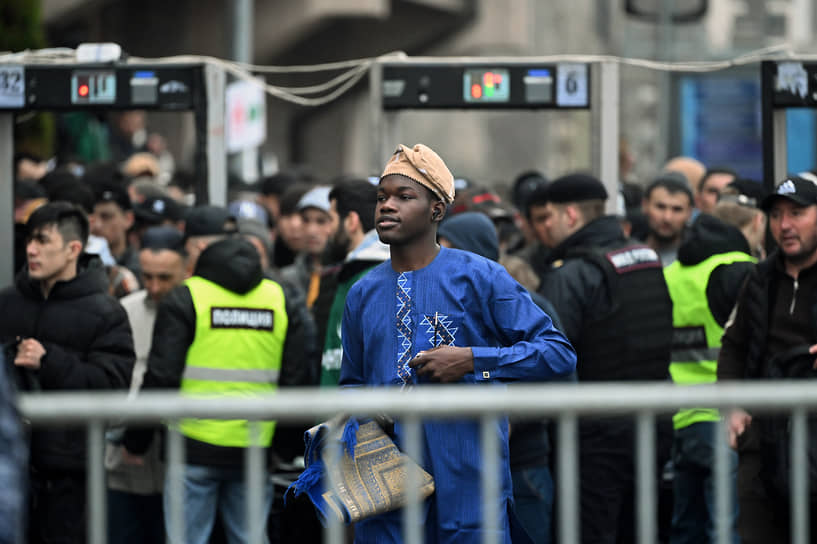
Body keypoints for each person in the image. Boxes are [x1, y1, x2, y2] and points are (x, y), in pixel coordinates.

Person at [338, 144, 576, 543]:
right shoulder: (361, 293)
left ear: (437, 210)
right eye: (382, 197)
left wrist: (472, 360)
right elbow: (351, 383)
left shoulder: (480, 277)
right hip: (386, 485)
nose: (387, 206)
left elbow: (557, 352)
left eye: (404, 196)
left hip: (467, 476)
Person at [123, 205, 317, 544]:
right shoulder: (280, 297)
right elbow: (295, 378)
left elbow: (162, 376)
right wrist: (284, 447)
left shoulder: (187, 297)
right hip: (254, 446)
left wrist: (136, 440)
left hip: (191, 447)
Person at [536, 173, 673, 544]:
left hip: (596, 436)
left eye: (548, 217)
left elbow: (549, 355)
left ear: (570, 216)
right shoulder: (646, 257)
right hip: (653, 424)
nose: (543, 227)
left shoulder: (573, 274)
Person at [0, 201, 135, 543]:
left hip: (69, 475)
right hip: (9, 466)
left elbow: (111, 388)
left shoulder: (107, 313)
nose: (31, 249)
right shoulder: (7, 303)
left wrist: (51, 362)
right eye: (29, 239)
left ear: (73, 249)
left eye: (43, 241)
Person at [438, 211, 568, 544]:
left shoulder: (526, 305)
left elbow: (562, 375)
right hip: (458, 470)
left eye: (449, 250)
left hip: (521, 469)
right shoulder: (444, 308)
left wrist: (510, 417)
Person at [718, 175, 817, 543]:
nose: (785, 225)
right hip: (765, 443)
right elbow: (734, 346)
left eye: (797, 213)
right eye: (776, 215)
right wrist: (732, 406)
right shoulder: (759, 278)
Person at [663, 211, 759, 544]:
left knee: (686, 527)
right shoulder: (739, 267)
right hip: (725, 417)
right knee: (726, 529)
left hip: (681, 418)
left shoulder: (670, 274)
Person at [106, 226, 188, 544]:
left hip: (176, 468)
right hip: (124, 466)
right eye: (148, 276)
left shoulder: (194, 310)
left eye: (165, 277)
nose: (154, 287)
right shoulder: (125, 310)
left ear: (186, 268)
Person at [320, 178, 390, 386]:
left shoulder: (372, 278)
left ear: (351, 221)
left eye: (330, 219)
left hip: (351, 414)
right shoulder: (353, 272)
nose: (327, 230)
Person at [641, 172, 695, 266]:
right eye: (660, 207)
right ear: (645, 205)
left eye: (677, 209)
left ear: (690, 212)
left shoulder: (697, 259)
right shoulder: (625, 252)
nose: (667, 218)